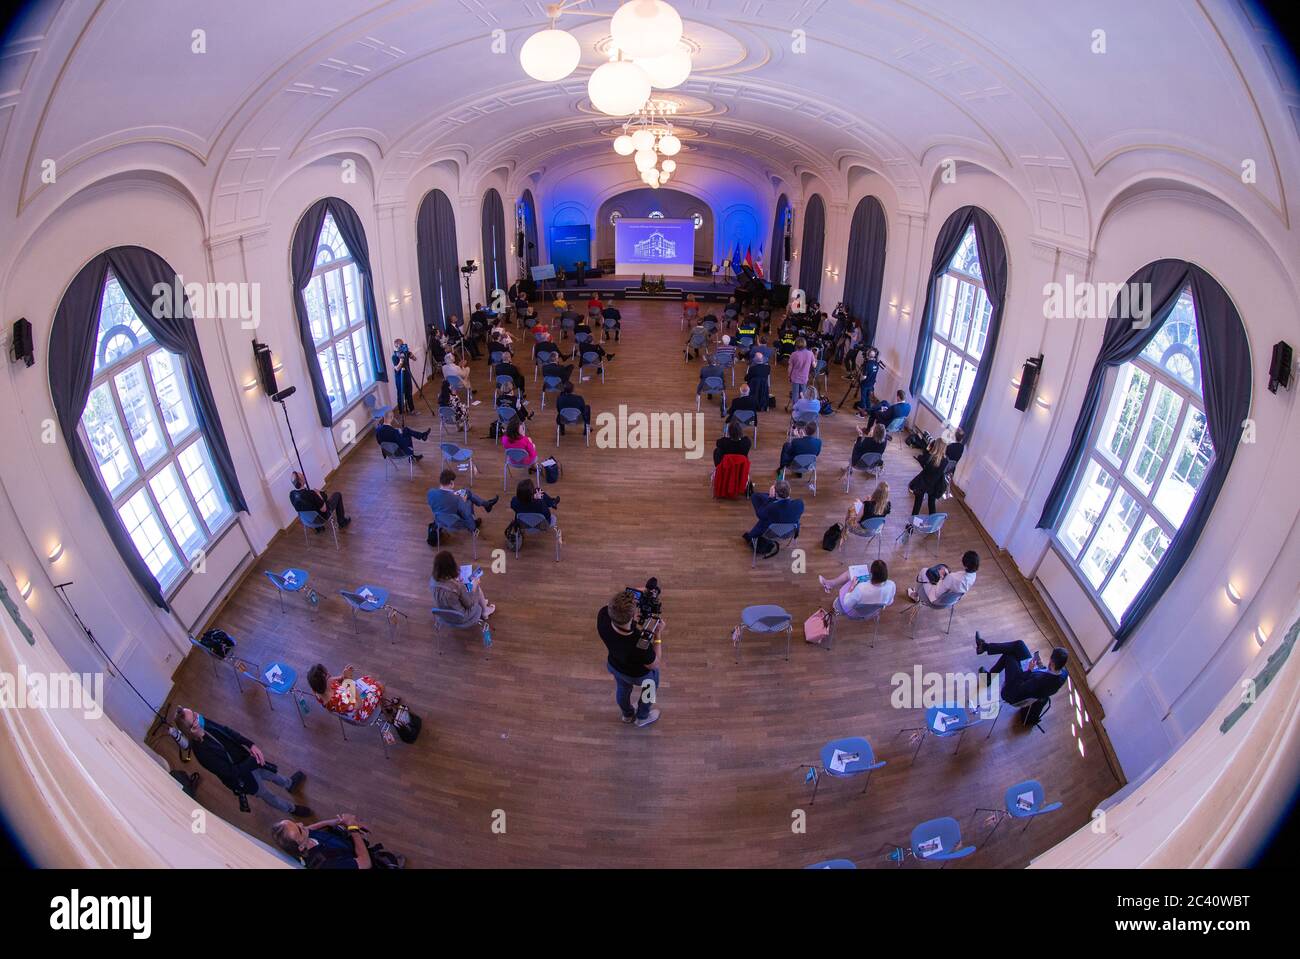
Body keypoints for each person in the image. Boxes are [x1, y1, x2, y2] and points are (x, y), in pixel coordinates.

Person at [171, 707, 310, 816]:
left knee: (273, 775)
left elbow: (227, 731)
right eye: (194, 717)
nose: (198, 715)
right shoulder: (202, 753)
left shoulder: (204, 724)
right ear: (192, 729)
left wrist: (250, 745)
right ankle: (291, 809)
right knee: (268, 795)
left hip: (248, 759)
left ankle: (289, 784)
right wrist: (252, 761)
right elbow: (230, 773)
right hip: (245, 778)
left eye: (194, 712)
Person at [597, 589, 662, 727]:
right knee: (650, 688)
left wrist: (641, 592)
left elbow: (614, 604)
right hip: (639, 675)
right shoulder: (639, 642)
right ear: (634, 615)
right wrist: (657, 636)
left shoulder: (603, 617)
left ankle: (627, 715)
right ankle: (642, 717)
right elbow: (654, 664)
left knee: (622, 688)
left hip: (615, 666)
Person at [270, 814, 404, 869]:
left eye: (295, 822)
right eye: (299, 829)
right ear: (300, 847)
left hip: (347, 849)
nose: (301, 823)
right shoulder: (325, 863)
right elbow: (365, 863)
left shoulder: (301, 840)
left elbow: (311, 828)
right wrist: (353, 829)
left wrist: (338, 821)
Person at [975, 633, 1070, 704]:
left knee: (1009, 656)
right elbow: (1048, 674)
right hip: (1034, 674)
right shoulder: (1064, 673)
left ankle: (988, 676)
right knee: (1019, 645)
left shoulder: (1040, 681)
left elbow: (1020, 685)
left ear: (1052, 663)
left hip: (1014, 690)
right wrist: (1041, 667)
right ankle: (984, 647)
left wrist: (1029, 670)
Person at [306, 663, 385, 725]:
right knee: (379, 685)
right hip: (359, 707)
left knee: (369, 678)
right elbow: (359, 704)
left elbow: (334, 680)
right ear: (325, 683)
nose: (330, 675)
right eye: (328, 675)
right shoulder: (340, 702)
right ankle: (381, 705)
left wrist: (343, 676)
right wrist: (349, 681)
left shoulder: (318, 691)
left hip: (349, 694)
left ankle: (377, 698)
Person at [430, 548, 495, 620]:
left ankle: (482, 603)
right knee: (477, 588)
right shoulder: (457, 587)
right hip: (461, 616)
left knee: (472, 590)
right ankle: (485, 611)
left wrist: (454, 580)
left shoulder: (432, 580)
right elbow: (469, 603)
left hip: (445, 614)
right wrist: (474, 585)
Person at [743, 480, 804, 555]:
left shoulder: (772, 507)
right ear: (790, 490)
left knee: (757, 498)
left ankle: (752, 536)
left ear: (776, 493)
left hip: (770, 533)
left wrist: (771, 498)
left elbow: (760, 514)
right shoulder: (799, 504)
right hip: (789, 532)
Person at [819, 558, 897, 616]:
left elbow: (847, 603)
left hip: (854, 613)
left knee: (850, 577)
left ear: (872, 574)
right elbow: (889, 602)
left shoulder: (861, 588)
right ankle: (829, 584)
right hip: (871, 613)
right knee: (850, 576)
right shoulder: (892, 585)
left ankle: (829, 584)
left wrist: (852, 587)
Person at [428, 468, 498, 527]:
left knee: (466, 491)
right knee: (469, 499)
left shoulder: (431, 492)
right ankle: (485, 507)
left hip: (440, 519)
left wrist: (454, 494)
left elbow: (442, 499)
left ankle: (487, 504)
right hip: (455, 521)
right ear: (451, 483)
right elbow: (465, 512)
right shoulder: (456, 498)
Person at [907, 550, 979, 604]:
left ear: (965, 565)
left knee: (924, 571)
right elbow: (953, 583)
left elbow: (937, 592)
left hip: (935, 599)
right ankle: (917, 592)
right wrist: (946, 576)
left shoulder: (952, 578)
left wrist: (942, 578)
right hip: (950, 602)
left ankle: (915, 595)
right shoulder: (973, 576)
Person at [908, 436, 949, 515]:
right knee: (931, 504)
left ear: (935, 446)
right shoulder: (945, 461)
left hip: (923, 483)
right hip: (935, 485)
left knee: (917, 504)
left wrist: (927, 449)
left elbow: (921, 459)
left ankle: (912, 522)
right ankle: (932, 523)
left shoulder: (929, 457)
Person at [786, 337, 814, 409]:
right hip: (804, 377)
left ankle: (795, 408)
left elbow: (790, 367)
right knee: (803, 393)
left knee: (795, 394)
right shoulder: (810, 353)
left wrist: (789, 376)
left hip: (795, 377)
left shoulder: (794, 354)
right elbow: (814, 365)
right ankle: (803, 407)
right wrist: (815, 357)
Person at [391, 339, 416, 414]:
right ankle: (401, 411)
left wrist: (411, 354)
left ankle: (412, 409)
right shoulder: (394, 356)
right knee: (400, 394)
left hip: (407, 375)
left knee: (409, 393)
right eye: (400, 345)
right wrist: (401, 361)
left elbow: (415, 359)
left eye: (403, 344)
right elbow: (397, 368)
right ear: (396, 346)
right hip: (399, 378)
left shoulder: (406, 353)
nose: (402, 346)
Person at [857, 347, 881, 412]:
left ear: (868, 355)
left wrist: (860, 379)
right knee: (868, 398)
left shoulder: (867, 364)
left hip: (865, 384)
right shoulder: (876, 364)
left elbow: (864, 377)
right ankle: (868, 410)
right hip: (871, 384)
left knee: (863, 398)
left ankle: (862, 413)